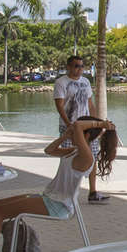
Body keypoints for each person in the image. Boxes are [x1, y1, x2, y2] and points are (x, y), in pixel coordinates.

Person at [0, 114, 117, 252]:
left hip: (58, 205)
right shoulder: (74, 151)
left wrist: (101, 124)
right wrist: (65, 136)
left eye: (75, 132)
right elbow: (49, 150)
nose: (73, 131)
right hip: (50, 198)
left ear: (87, 135)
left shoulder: (87, 157)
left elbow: (77, 125)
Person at [52, 56, 107, 203]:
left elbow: (90, 104)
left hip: (87, 127)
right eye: (76, 66)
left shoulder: (86, 82)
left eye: (82, 66)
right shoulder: (61, 83)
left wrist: (97, 123)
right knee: (70, 157)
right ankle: (66, 192)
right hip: (70, 127)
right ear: (68, 67)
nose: (79, 69)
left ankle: (93, 192)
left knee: (93, 156)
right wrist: (69, 125)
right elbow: (59, 106)